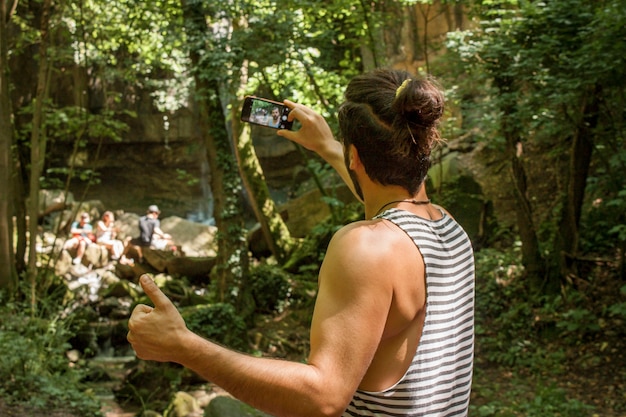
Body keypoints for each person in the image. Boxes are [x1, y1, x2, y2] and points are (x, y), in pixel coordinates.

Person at [127, 69, 475, 416]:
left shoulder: (365, 249)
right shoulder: (449, 230)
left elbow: (322, 398)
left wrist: (184, 346)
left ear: (354, 155)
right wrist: (325, 145)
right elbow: (386, 197)